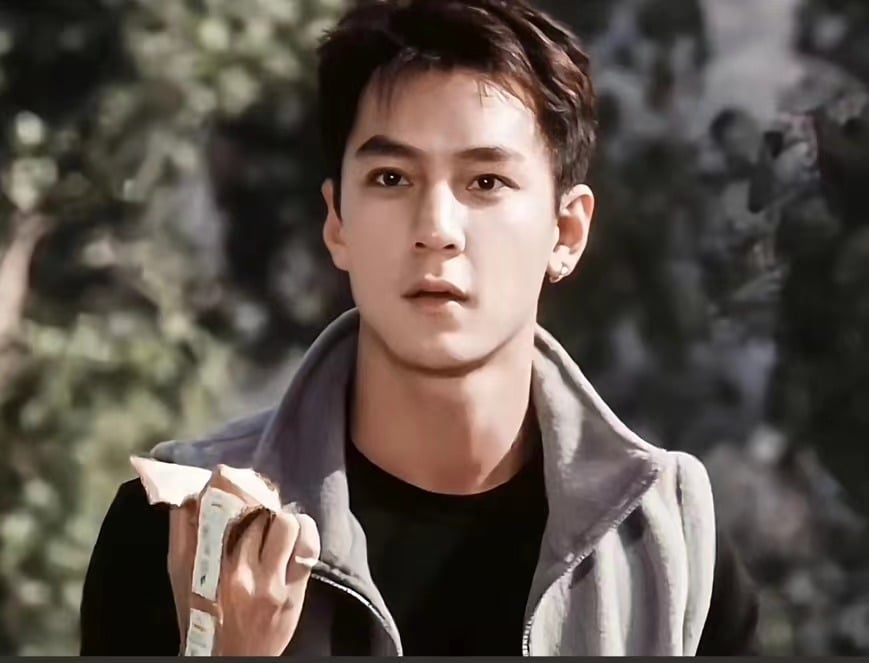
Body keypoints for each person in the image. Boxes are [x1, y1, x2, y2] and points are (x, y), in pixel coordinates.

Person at [79, 0, 759, 656]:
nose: (436, 229)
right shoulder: (181, 528)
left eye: (485, 182)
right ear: (337, 222)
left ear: (567, 231)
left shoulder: (670, 543)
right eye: (390, 177)